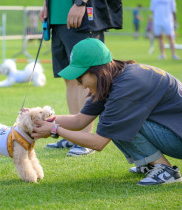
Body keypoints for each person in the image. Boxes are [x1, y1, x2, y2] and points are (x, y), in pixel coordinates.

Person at [31, 38, 182, 186]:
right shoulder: (114, 77)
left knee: (116, 121)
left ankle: (166, 170)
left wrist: (54, 130)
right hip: (174, 132)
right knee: (113, 120)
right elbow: (79, 121)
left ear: (96, 71)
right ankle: (150, 163)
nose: (80, 85)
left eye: (80, 77)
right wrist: (41, 118)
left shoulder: (125, 87)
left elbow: (98, 143)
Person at [39, 0, 122, 156]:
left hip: (80, 14)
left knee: (85, 77)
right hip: (57, 18)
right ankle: (74, 136)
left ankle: (85, 138)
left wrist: (80, 3)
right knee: (70, 79)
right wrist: (46, 5)